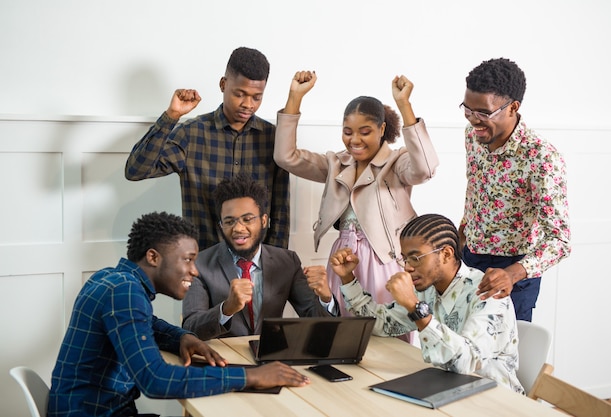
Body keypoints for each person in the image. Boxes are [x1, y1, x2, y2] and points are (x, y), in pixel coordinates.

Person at [48, 212, 309, 417]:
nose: (194, 271)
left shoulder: (112, 278)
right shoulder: (125, 292)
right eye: (187, 259)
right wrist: (251, 376)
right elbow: (155, 379)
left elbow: (148, 324)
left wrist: (182, 337)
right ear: (153, 257)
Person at [273, 71, 439, 342]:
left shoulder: (396, 163)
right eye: (348, 132)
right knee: (341, 336)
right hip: (342, 260)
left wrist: (404, 105)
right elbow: (286, 157)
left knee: (383, 337)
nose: (355, 140)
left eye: (365, 132)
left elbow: (426, 168)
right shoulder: (336, 163)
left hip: (384, 262)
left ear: (382, 130)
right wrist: (295, 97)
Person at [330, 213, 523, 393]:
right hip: (446, 389)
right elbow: (382, 324)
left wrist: (415, 308)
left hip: (494, 399)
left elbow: (465, 363)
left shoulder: (488, 292)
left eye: (415, 258)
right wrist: (348, 278)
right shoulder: (428, 288)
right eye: (404, 259)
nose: (407, 267)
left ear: (446, 254)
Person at [125, 46, 290, 251]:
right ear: (223, 84)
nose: (248, 104)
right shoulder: (191, 134)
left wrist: (277, 264)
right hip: (202, 263)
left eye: (256, 97)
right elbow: (135, 171)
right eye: (240, 94)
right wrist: (171, 116)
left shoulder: (273, 138)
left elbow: (281, 210)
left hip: (256, 266)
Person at [458, 58, 571, 322]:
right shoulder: (472, 135)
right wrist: (463, 234)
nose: (474, 120)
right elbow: (476, 190)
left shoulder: (542, 157)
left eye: (483, 112)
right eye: (467, 109)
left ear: (513, 108)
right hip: (469, 260)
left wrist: (512, 273)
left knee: (504, 360)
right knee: (462, 353)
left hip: (515, 272)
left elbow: (560, 240)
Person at [183, 173, 337, 340]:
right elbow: (191, 328)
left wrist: (325, 297)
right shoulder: (198, 265)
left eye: (247, 219)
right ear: (221, 225)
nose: (238, 229)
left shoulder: (287, 262)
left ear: (264, 221)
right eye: (229, 222)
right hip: (224, 361)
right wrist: (226, 309)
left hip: (272, 358)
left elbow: (317, 323)